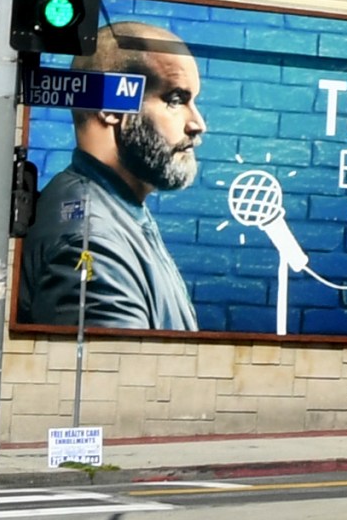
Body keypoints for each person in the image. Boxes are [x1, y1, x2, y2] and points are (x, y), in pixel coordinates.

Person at [18, 21, 206, 331]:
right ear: (110, 105)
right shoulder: (90, 241)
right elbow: (120, 371)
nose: (197, 123)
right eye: (175, 100)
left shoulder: (118, 209)